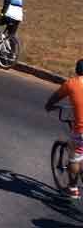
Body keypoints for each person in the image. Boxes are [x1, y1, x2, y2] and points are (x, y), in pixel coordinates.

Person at [45, 59, 83, 199]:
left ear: (76, 70)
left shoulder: (71, 83)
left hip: (81, 130)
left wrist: (49, 106)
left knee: (74, 157)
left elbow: (55, 97)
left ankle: (72, 188)